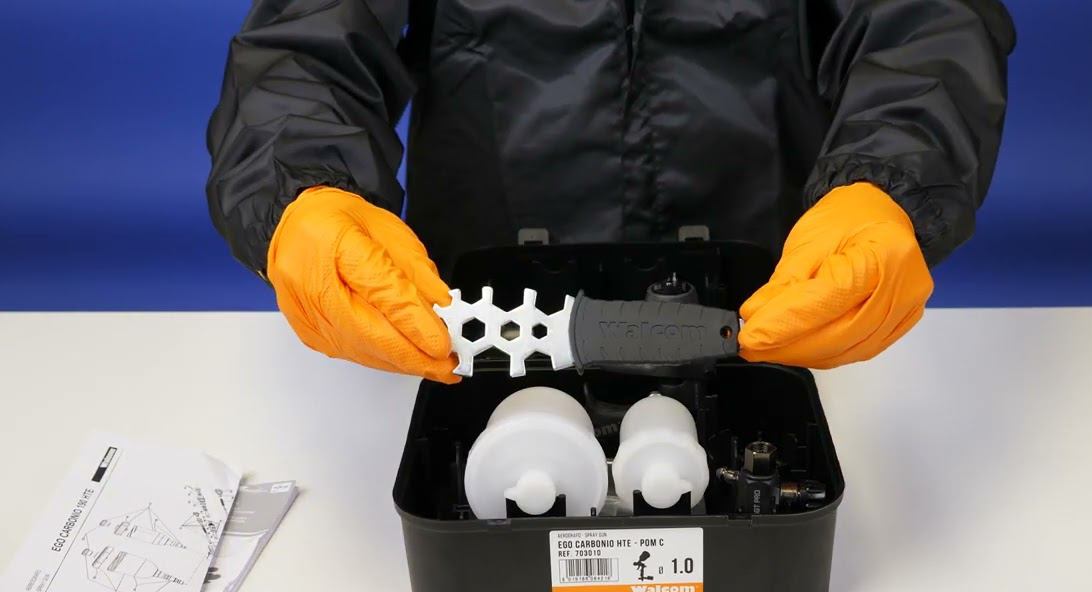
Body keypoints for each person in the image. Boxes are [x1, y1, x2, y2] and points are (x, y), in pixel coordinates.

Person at [207, 0, 1014, 382]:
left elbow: (928, 23)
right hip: (484, 311)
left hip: (772, 295)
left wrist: (889, 180)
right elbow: (307, 40)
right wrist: (303, 185)